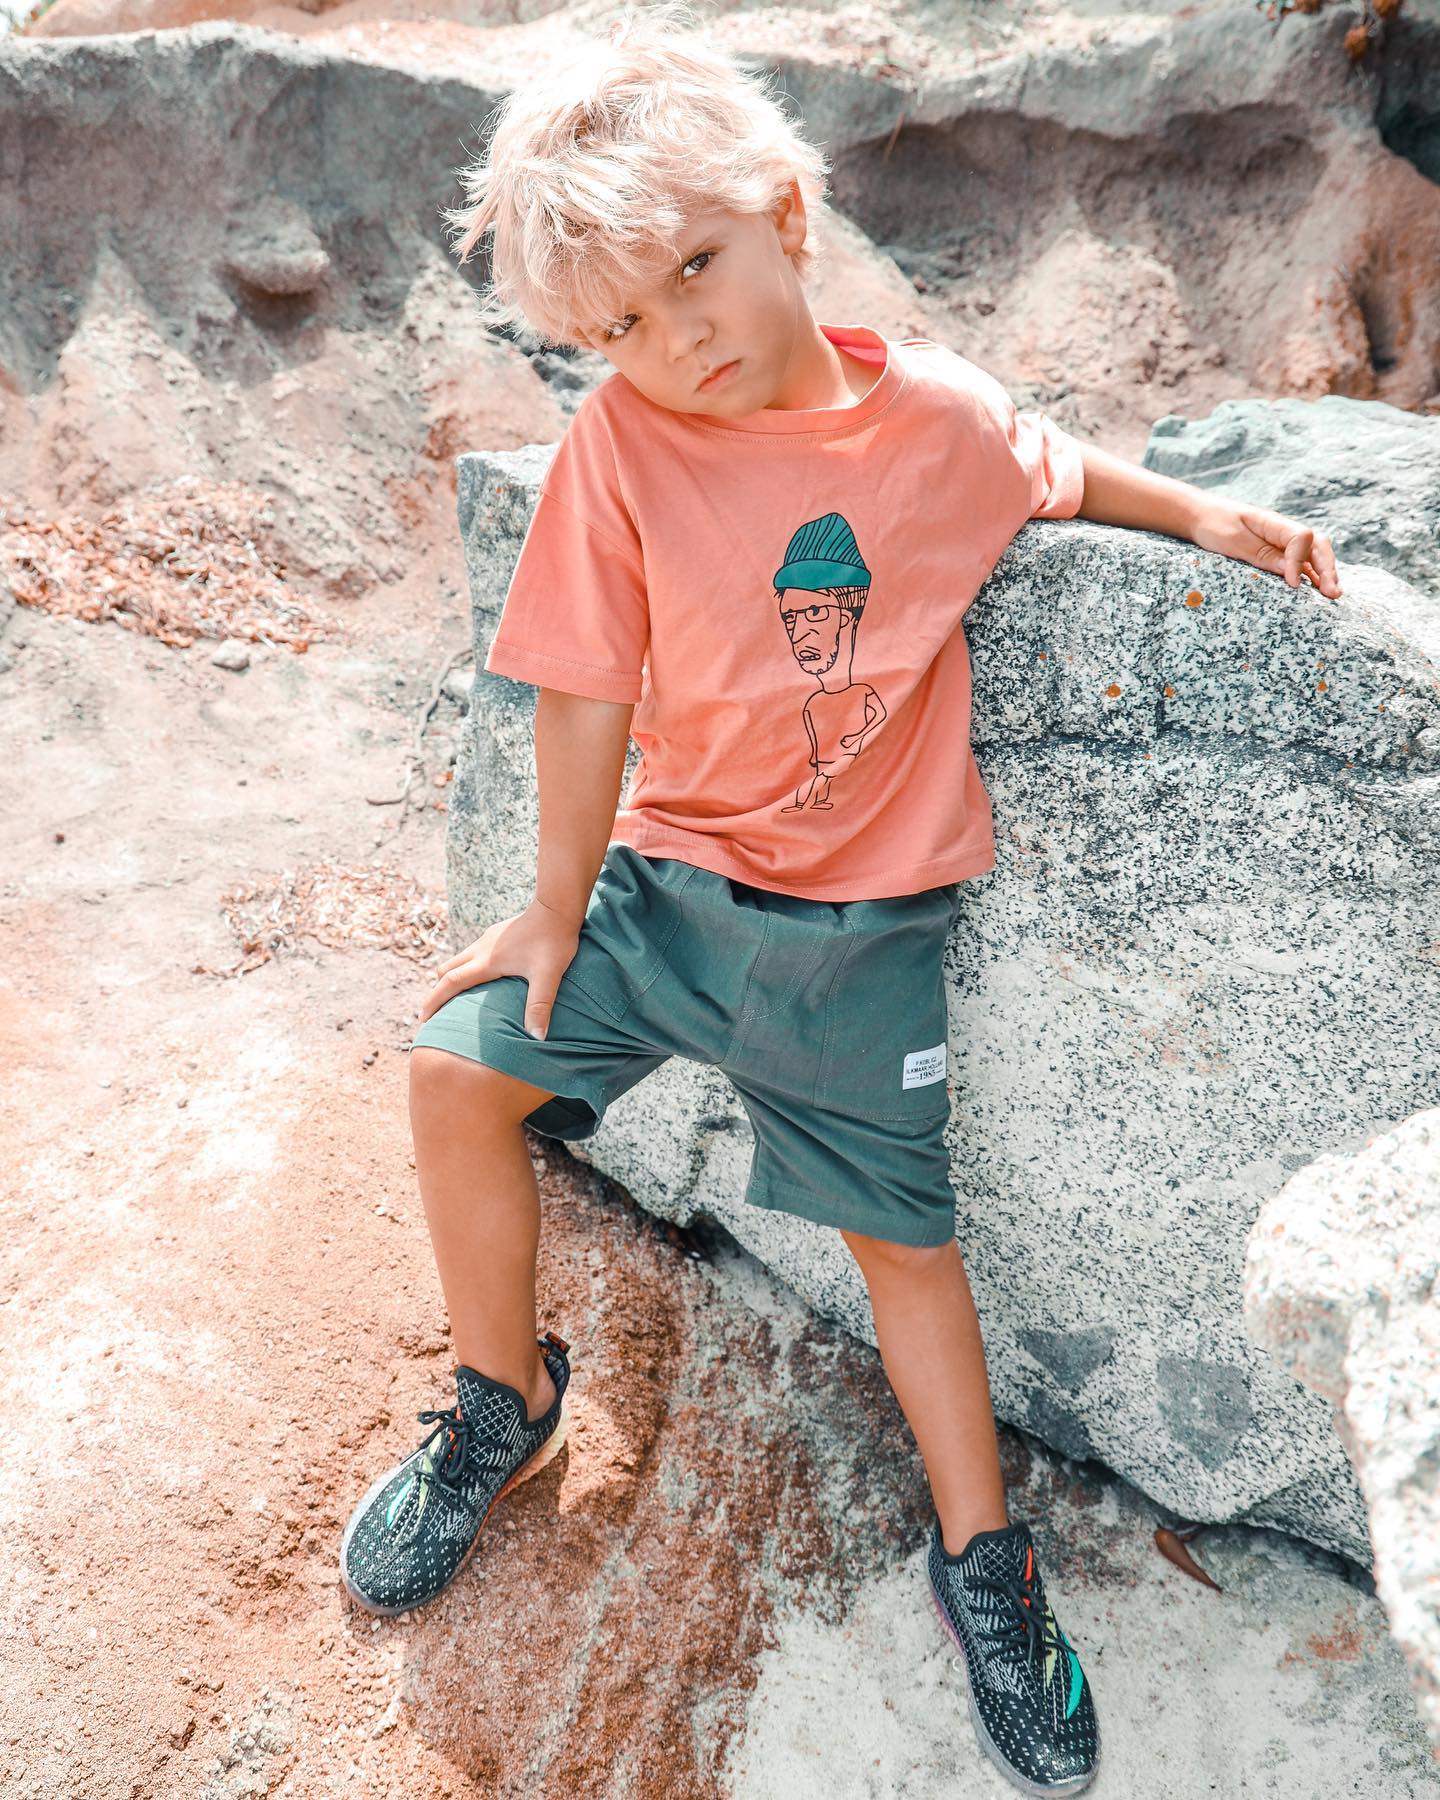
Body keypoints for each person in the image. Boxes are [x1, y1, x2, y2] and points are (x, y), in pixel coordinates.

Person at [338, 6, 1342, 1792]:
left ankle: (985, 1564)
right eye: (619, 326)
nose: (676, 339)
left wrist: (1205, 516)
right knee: (450, 1075)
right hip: (664, 898)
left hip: (862, 943)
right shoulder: (623, 451)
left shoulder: (930, 422)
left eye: (694, 270)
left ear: (785, 217)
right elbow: (582, 691)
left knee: (911, 1253)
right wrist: (554, 911)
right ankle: (507, 1400)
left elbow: (1047, 461)